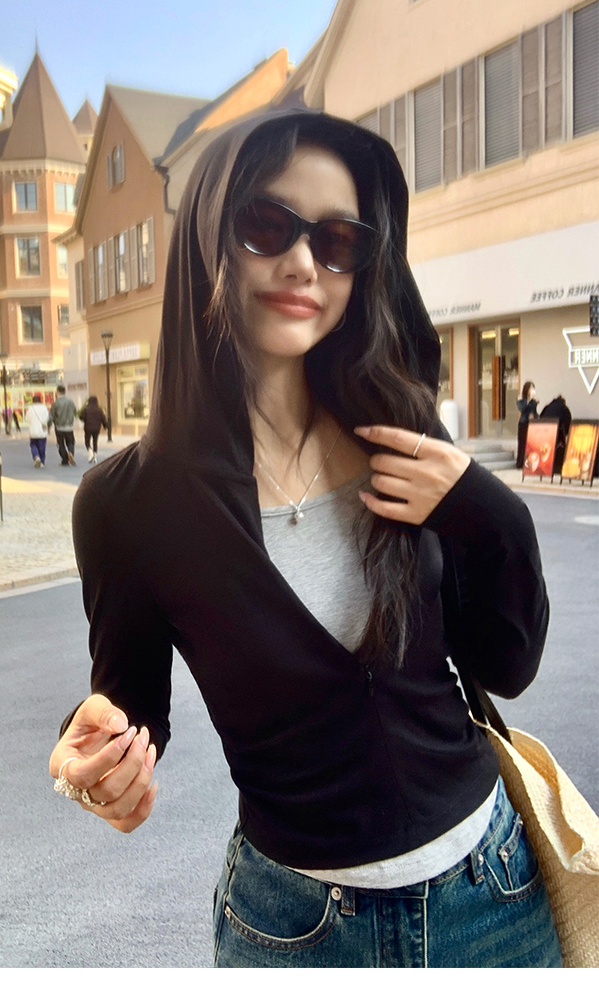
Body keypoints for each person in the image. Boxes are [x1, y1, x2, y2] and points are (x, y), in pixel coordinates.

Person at [49, 111, 560, 968]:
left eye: (337, 241)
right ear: (209, 235)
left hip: (494, 899)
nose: (302, 264)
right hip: (295, 930)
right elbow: (128, 707)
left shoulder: (403, 433)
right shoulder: (127, 503)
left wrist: (487, 506)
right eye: (267, 224)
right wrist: (97, 758)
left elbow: (507, 663)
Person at [539, 395, 572, 473]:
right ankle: (557, 467)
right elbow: (568, 420)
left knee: (546, 449)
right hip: (557, 431)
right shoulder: (563, 408)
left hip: (544, 431)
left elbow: (540, 417)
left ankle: (544, 467)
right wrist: (566, 433)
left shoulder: (547, 407)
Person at [48, 384, 77, 466]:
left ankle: (65, 460)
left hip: (59, 427)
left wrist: (49, 426)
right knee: (71, 442)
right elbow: (75, 411)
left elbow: (51, 416)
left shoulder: (55, 403)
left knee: (61, 444)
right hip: (69, 427)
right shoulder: (70, 402)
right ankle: (70, 452)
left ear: (57, 392)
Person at [516, 381, 539, 469]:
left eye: (533, 388)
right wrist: (528, 400)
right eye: (530, 388)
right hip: (523, 423)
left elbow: (534, 411)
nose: (532, 390)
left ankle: (528, 462)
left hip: (531, 423)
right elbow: (521, 408)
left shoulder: (533, 401)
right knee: (522, 443)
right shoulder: (521, 398)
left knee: (530, 444)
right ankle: (520, 463)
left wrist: (535, 416)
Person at [79, 396, 109, 463]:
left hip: (88, 428)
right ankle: (95, 456)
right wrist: (105, 427)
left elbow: (81, 417)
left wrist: (85, 419)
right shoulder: (99, 410)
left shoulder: (86, 409)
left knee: (87, 441)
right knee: (95, 441)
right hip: (97, 428)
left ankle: (90, 453)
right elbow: (103, 419)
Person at [25, 394, 50, 468]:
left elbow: (27, 419)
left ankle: (36, 456)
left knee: (33, 445)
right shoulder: (44, 408)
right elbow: (47, 418)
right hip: (42, 430)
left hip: (33, 430)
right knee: (42, 447)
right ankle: (42, 462)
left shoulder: (30, 408)